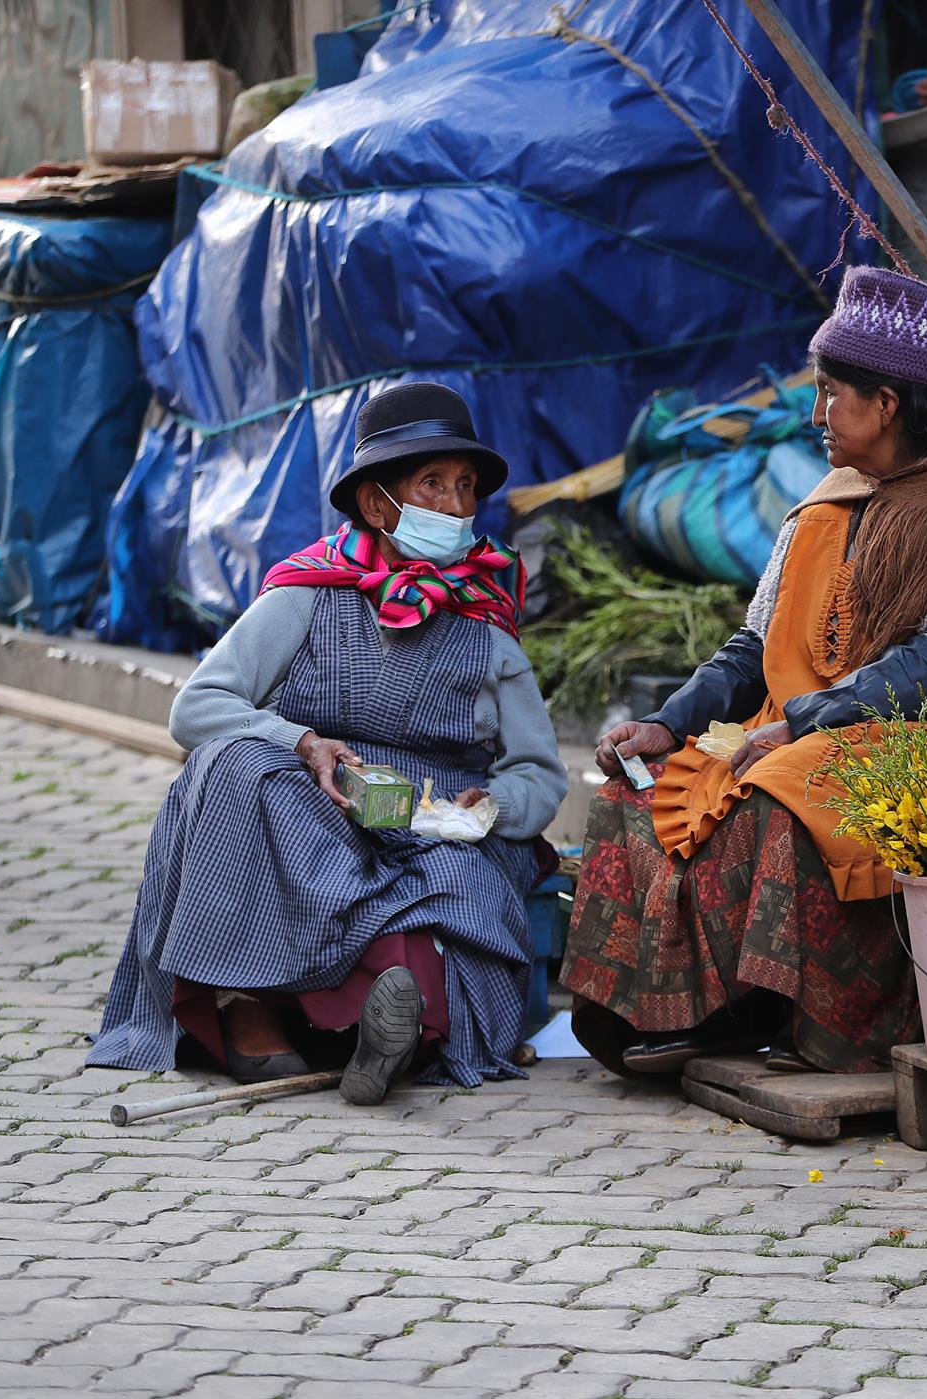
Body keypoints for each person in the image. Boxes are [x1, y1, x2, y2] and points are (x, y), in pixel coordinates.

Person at [562, 266, 927, 1077]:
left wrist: (796, 723)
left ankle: (768, 1017)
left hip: (923, 740)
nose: (815, 414)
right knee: (639, 780)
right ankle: (673, 1015)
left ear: (888, 402)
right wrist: (668, 719)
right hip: (800, 722)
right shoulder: (831, 499)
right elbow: (751, 646)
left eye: (832, 392)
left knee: (780, 785)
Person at [89, 383, 568, 1103]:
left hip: (429, 830)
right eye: (430, 483)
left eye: (465, 487)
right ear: (377, 504)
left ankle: (383, 1040)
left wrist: (493, 804)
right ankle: (249, 1012)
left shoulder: (486, 625)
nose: (454, 503)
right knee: (230, 763)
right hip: (317, 818)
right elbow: (198, 707)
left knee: (454, 904)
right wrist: (301, 739)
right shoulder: (307, 593)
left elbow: (538, 771)